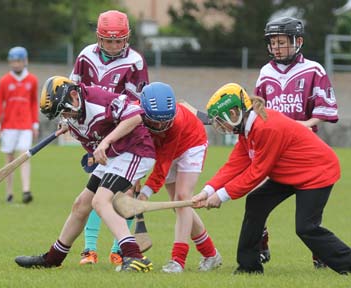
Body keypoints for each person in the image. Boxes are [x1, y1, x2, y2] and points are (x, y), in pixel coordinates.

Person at [192, 83, 351, 276]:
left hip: (317, 172)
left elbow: (256, 173)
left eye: (220, 121)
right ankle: (249, 267)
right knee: (256, 202)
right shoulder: (248, 130)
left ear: (234, 113)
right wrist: (207, 191)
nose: (219, 126)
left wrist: (221, 196)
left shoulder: (266, 128)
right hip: (289, 173)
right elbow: (234, 165)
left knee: (306, 227)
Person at [15, 76, 155, 272]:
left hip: (135, 150)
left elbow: (135, 116)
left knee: (100, 201)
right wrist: (73, 127)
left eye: (64, 110)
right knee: (81, 204)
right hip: (114, 154)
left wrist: (105, 143)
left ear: (74, 95)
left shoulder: (98, 99)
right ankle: (54, 258)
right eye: (61, 114)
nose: (65, 116)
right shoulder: (73, 115)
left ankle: (135, 257)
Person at [253, 17, 339, 268]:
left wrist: (300, 126)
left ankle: (320, 251)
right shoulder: (265, 73)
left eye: (282, 42)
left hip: (305, 155)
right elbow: (261, 112)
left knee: (308, 218)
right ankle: (260, 242)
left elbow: (326, 110)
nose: (276, 47)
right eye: (273, 42)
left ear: (297, 42)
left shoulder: (314, 70)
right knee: (256, 200)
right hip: (273, 152)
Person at [70, 9, 149, 266]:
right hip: (96, 134)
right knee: (94, 194)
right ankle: (89, 249)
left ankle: (118, 250)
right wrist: (68, 120)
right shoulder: (85, 56)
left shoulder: (135, 62)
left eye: (119, 40)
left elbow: (137, 105)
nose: (114, 46)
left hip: (125, 135)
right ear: (98, 37)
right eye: (108, 40)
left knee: (120, 194)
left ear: (127, 38)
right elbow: (74, 92)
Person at [136, 82, 222, 273]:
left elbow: (163, 163)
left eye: (165, 121)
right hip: (166, 150)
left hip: (192, 143)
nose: (160, 126)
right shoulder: (136, 115)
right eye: (156, 122)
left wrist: (145, 193)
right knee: (179, 206)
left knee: (182, 198)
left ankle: (178, 260)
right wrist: (136, 176)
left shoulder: (177, 122)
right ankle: (211, 254)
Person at [0, 46, 39, 204]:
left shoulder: (32, 80)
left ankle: (26, 190)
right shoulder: (5, 80)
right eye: (13, 61)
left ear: (25, 61)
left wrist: (35, 123)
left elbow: (33, 103)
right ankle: (9, 192)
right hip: (9, 126)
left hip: (25, 125)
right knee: (9, 159)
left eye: (18, 61)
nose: (16, 64)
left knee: (24, 156)